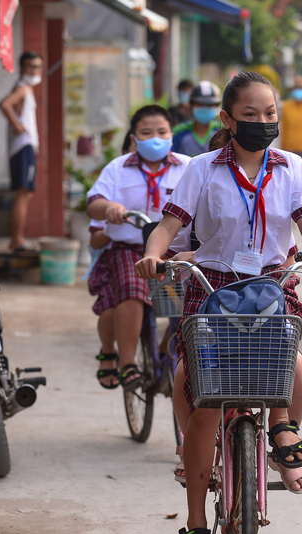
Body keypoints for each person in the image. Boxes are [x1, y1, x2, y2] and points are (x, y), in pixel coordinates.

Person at [134, 71, 302, 534]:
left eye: (270, 114)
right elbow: (169, 225)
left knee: (293, 365)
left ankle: (280, 428)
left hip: (273, 284)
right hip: (212, 286)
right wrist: (152, 256)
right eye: (250, 115)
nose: (263, 122)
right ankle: (198, 524)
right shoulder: (202, 169)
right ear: (227, 119)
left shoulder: (291, 166)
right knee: (202, 397)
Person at [86, 106, 191, 390]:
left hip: (174, 252)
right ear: (134, 137)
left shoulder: (190, 166)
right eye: (146, 133)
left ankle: (165, 351)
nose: (154, 138)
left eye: (161, 132)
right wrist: (109, 207)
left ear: (171, 136)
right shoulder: (117, 168)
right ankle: (128, 363)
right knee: (133, 292)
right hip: (128, 249)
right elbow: (93, 201)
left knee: (189, 302)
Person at [0, 51, 43, 253]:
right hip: (22, 147)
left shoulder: (27, 89)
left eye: (38, 67)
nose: (35, 71)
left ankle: (17, 238)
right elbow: (5, 104)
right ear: (23, 68)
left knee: (25, 194)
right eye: (31, 66)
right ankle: (17, 239)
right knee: (22, 194)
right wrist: (17, 126)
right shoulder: (23, 88)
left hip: (25, 147)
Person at [171, 81, 222, 157]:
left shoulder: (223, 133)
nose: (204, 108)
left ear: (216, 107)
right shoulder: (179, 133)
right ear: (191, 106)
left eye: (209, 105)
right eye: (200, 104)